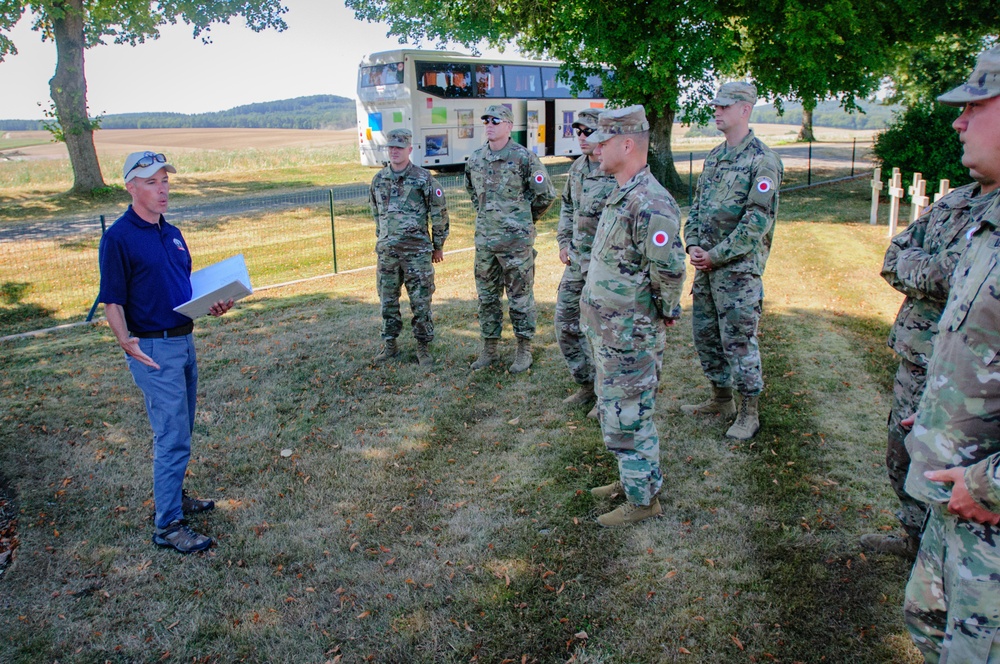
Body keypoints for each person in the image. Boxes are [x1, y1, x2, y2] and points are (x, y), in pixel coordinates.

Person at [901, 46, 1000, 661]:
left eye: (975, 105)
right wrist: (938, 409)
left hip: (984, 507)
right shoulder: (989, 217)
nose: (958, 122)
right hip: (960, 503)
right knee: (933, 629)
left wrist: (988, 485)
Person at [98, 151, 233, 554]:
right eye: (152, 182)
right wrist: (126, 341)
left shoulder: (171, 232)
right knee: (171, 435)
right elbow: (112, 300)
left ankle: (175, 497)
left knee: (182, 429)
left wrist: (213, 302)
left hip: (183, 340)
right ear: (131, 187)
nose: (162, 190)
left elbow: (181, 286)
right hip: (153, 348)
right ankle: (168, 526)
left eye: (165, 181)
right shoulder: (119, 237)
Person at [860, 174, 983, 560]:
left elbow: (959, 275)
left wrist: (924, 267)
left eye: (974, 110)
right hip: (917, 354)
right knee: (902, 457)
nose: (959, 123)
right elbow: (894, 256)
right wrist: (930, 268)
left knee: (952, 470)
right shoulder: (956, 200)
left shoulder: (991, 213)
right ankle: (914, 541)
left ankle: (943, 559)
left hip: (969, 370)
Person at [580, 106, 687, 527]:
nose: (594, 147)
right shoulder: (623, 191)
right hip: (609, 331)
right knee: (617, 411)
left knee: (630, 416)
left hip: (630, 333)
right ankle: (633, 480)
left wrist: (664, 311)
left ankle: (644, 501)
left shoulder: (650, 201)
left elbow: (671, 269)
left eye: (603, 141)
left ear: (627, 144)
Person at [681, 81, 784, 440]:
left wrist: (716, 255)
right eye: (716, 105)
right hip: (706, 268)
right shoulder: (714, 156)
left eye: (725, 106)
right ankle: (720, 398)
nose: (717, 111)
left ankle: (748, 411)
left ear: (745, 110)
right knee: (706, 336)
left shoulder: (763, 160)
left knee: (739, 342)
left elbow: (757, 221)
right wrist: (692, 242)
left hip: (738, 272)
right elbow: (696, 207)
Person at [465, 104, 556, 373]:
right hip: (486, 244)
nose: (489, 124)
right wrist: (488, 218)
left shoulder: (524, 158)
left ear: (508, 125)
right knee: (487, 298)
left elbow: (545, 195)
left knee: (520, 298)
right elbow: (472, 192)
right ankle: (489, 349)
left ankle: (523, 349)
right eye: (486, 120)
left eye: (495, 120)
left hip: (516, 245)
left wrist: (523, 220)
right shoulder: (475, 159)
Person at [369, 128, 450, 368]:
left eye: (399, 147)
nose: (394, 151)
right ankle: (390, 345)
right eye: (391, 147)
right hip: (387, 254)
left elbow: (439, 214)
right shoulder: (379, 180)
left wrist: (438, 246)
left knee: (421, 301)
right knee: (387, 301)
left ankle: (423, 346)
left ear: (409, 149)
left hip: (416, 255)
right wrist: (382, 238)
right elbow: (376, 213)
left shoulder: (423, 179)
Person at [555, 109, 619, 409]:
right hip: (578, 263)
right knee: (565, 324)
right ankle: (586, 384)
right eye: (576, 131)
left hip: (606, 266)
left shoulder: (617, 169)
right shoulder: (578, 168)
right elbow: (567, 206)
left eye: (587, 131)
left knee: (602, 333)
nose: (580, 136)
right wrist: (564, 241)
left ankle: (606, 395)